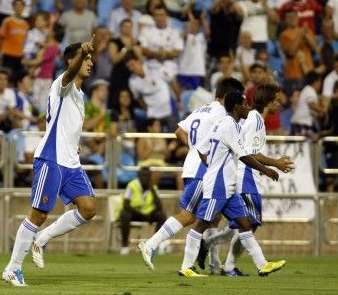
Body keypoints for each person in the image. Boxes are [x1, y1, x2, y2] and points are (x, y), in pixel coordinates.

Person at [2, 36, 96, 286]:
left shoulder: (79, 94)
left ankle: (42, 239)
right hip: (51, 158)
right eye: (86, 58)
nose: (90, 62)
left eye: (90, 58)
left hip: (71, 162)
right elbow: (69, 74)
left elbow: (66, 125)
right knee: (38, 214)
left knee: (88, 208)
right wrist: (81, 52)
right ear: (71, 61)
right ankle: (12, 268)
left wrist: (75, 142)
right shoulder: (61, 84)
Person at [137, 78, 245, 270]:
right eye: (240, 98)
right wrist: (201, 151)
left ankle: (213, 263)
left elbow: (179, 131)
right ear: (230, 98)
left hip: (195, 166)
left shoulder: (202, 109)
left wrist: (194, 148)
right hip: (202, 169)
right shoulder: (223, 114)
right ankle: (151, 244)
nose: (242, 102)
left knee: (213, 216)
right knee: (188, 216)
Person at [177, 91, 287, 278]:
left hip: (229, 186)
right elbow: (244, 156)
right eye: (245, 104)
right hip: (218, 186)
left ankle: (262, 265)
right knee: (202, 223)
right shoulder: (229, 126)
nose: (248, 107)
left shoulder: (222, 124)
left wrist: (212, 164)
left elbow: (202, 149)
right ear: (236, 107)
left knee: (245, 223)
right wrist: (267, 169)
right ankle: (186, 267)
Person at [117, 167, 167, 256]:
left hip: (148, 214)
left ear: (150, 177)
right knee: (125, 215)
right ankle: (124, 247)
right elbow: (126, 205)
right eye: (143, 175)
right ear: (138, 176)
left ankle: (155, 244)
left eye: (147, 176)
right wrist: (141, 214)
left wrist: (152, 189)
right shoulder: (132, 185)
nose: (145, 178)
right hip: (134, 213)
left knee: (162, 215)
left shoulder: (153, 188)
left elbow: (159, 207)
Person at [0, 0, 29, 76]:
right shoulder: (7, 21)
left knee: (17, 79)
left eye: (21, 5)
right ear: (13, 7)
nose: (19, 7)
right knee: (7, 78)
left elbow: (25, 41)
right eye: (17, 5)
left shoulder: (26, 24)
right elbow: (0, 38)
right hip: (8, 54)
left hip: (19, 56)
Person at [290, 71, 326, 137]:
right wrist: (323, 110)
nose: (320, 84)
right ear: (316, 81)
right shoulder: (310, 90)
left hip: (301, 123)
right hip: (301, 123)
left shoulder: (307, 89)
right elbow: (312, 105)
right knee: (303, 145)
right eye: (320, 81)